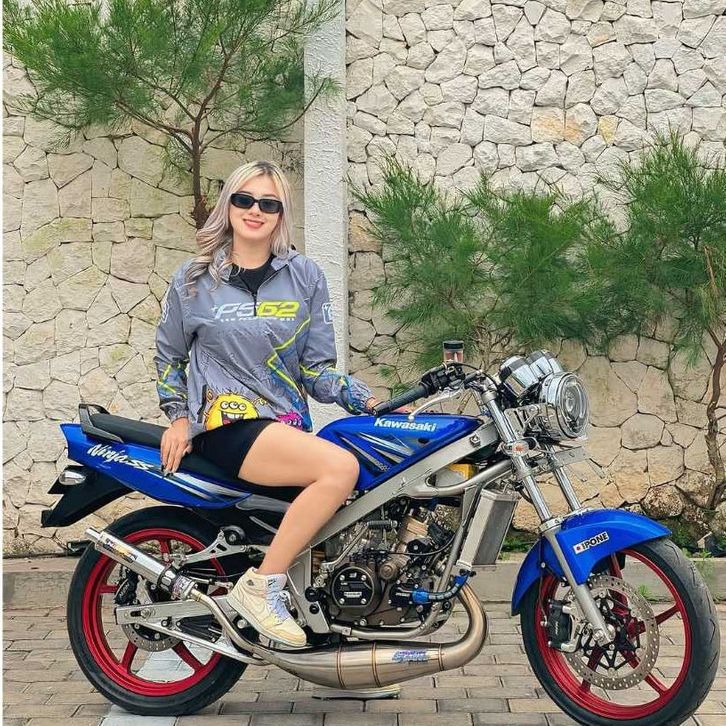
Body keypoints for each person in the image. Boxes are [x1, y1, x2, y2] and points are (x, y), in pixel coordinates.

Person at [154, 160, 409, 649]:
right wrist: (179, 417)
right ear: (228, 205)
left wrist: (371, 402)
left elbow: (317, 370)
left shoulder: (305, 276)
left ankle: (345, 635)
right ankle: (261, 586)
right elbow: (169, 356)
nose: (255, 211)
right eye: (244, 199)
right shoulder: (193, 279)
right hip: (225, 423)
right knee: (340, 468)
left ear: (281, 213)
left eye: (268, 204)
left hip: (286, 426)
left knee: (360, 503)